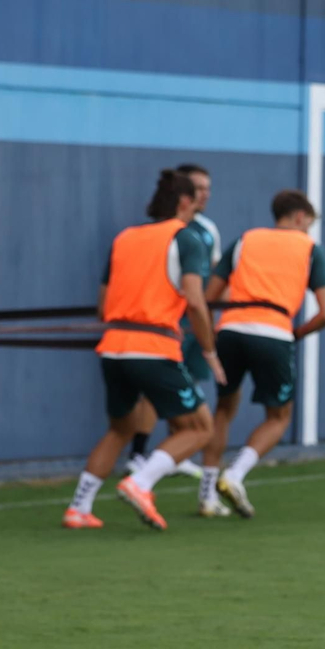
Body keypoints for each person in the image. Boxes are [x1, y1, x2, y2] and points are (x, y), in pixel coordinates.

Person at [63, 169, 225, 531]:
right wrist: (210, 352)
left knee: (120, 429)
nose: (201, 200)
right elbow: (196, 303)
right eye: (196, 195)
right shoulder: (186, 238)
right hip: (154, 348)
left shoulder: (125, 238)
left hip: (113, 348)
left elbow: (103, 307)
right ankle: (140, 482)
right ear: (183, 201)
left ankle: (79, 507)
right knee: (201, 427)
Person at [197, 189, 325, 518]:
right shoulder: (309, 248)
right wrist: (295, 334)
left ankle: (205, 496)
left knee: (224, 410)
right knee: (278, 417)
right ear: (300, 218)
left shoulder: (246, 239)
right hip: (274, 332)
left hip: (230, 330)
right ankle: (234, 474)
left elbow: (209, 296)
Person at [126, 162, 222, 477]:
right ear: (181, 195)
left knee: (188, 384)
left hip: (196, 320)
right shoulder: (163, 230)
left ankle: (174, 453)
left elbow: (214, 275)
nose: (203, 195)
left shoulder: (207, 231)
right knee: (157, 388)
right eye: (197, 189)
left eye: (207, 188)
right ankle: (139, 453)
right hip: (164, 322)